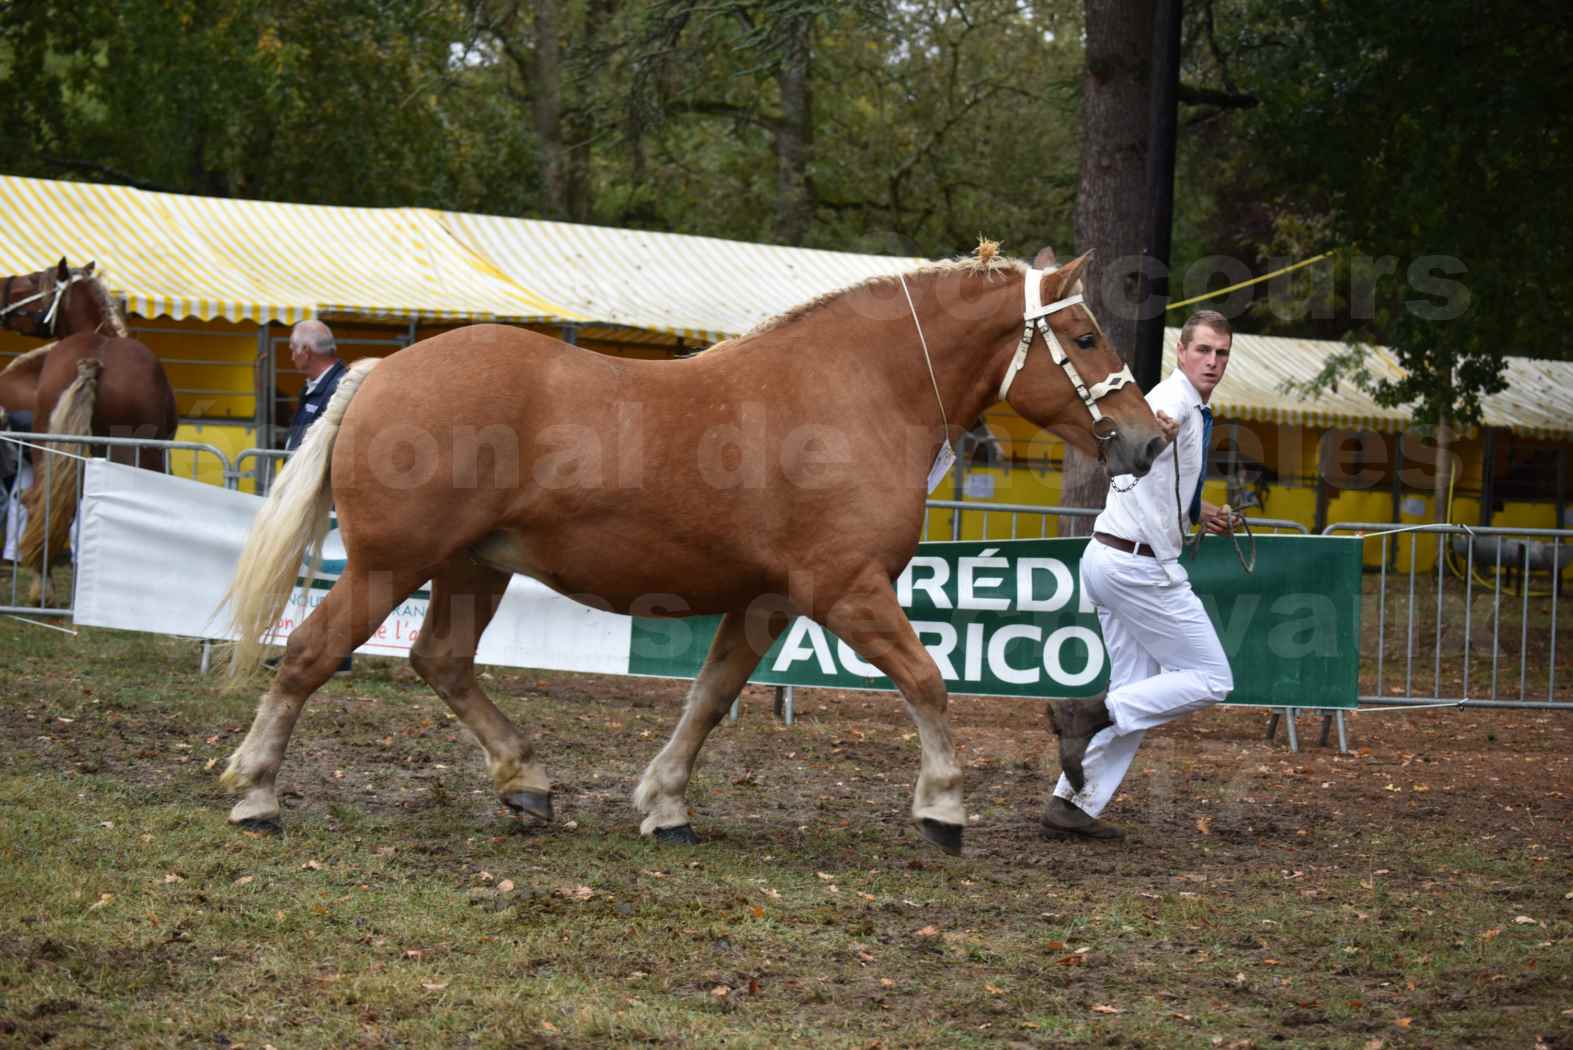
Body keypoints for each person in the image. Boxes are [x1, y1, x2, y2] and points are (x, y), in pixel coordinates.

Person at [1043, 309, 1238, 841]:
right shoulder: (1170, 402)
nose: (1213, 362)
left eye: (1221, 353)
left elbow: (1158, 483)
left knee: (1137, 696)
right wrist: (1157, 436)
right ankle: (1089, 712)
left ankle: (1072, 806)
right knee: (1212, 679)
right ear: (1181, 351)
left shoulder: (1190, 405)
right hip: (1136, 567)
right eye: (1203, 351)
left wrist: (1202, 512)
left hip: (1111, 557)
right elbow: (1131, 451)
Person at [283, 319, 348, 452]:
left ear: (306, 351)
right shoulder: (314, 386)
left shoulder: (340, 389)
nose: (292, 357)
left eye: (293, 350)